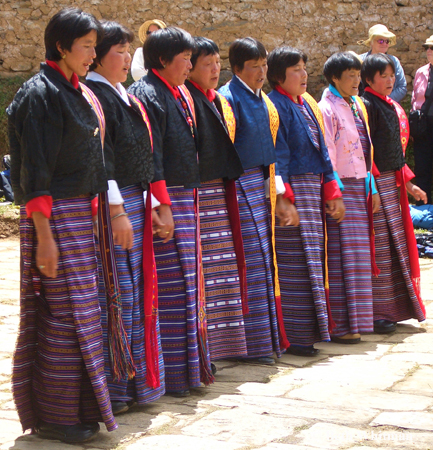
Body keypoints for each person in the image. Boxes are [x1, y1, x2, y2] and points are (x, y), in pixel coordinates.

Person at [7, 7, 116, 443]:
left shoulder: (74, 89)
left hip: (78, 218)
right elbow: (34, 172)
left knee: (81, 317)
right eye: (87, 47)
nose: (93, 54)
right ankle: (55, 416)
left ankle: (78, 409)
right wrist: (45, 238)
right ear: (61, 47)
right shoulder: (40, 95)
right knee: (63, 317)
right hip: (53, 220)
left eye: (94, 46)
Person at [128, 26, 214, 396]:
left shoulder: (178, 92)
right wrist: (160, 204)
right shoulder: (146, 94)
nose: (190, 65)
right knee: (172, 287)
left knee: (189, 288)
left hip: (185, 194)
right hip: (166, 199)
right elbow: (151, 155)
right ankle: (173, 375)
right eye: (185, 59)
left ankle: (188, 370)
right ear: (162, 60)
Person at [85, 21, 166, 415]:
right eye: (118, 51)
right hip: (113, 206)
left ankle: (136, 384)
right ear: (97, 56)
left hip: (137, 200)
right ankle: (115, 389)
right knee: (117, 294)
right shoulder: (95, 97)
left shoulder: (123, 96)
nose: (126, 59)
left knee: (137, 292)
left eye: (127, 51)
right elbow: (106, 160)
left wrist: (151, 204)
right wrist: (118, 211)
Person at [267, 46, 344, 356]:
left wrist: (332, 191)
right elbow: (278, 155)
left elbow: (323, 152)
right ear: (278, 76)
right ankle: (296, 335)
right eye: (296, 70)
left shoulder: (306, 104)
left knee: (313, 264)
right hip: (294, 194)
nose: (303, 75)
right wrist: (284, 197)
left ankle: (312, 331)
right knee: (293, 266)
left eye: (304, 68)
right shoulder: (275, 106)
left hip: (313, 194)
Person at [219, 37, 291, 364]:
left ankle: (265, 341)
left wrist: (277, 192)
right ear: (236, 69)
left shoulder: (264, 101)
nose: (261, 72)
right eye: (254, 66)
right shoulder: (227, 99)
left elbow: (271, 150)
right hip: (237, 186)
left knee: (265, 261)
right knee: (249, 262)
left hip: (260, 186)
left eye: (264, 65)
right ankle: (247, 344)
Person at [185, 37, 248, 364]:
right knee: (205, 273)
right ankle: (205, 348)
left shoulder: (215, 100)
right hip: (199, 195)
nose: (214, 69)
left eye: (216, 63)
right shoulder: (188, 100)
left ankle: (223, 346)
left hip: (220, 195)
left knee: (221, 272)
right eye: (206, 63)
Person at [361, 53, 427, 333]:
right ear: (368, 79)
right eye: (383, 76)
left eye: (392, 76)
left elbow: (395, 153)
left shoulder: (387, 104)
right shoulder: (366, 106)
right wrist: (373, 186)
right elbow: (366, 152)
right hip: (376, 186)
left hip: (393, 185)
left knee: (394, 248)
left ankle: (395, 308)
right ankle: (377, 312)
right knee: (380, 250)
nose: (389, 81)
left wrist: (409, 183)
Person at [319, 52, 380, 344]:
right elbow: (328, 153)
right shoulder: (326, 108)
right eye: (350, 75)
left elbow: (367, 149)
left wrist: (373, 187)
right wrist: (334, 193)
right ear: (334, 78)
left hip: (360, 188)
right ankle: (341, 325)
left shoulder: (357, 105)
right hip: (341, 189)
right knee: (341, 257)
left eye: (359, 75)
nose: (356, 81)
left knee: (358, 259)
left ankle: (358, 322)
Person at [358, 24, 407, 103]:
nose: (384, 44)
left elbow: (402, 87)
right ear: (371, 42)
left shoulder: (394, 61)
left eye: (387, 41)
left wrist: (383, 100)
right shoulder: (360, 61)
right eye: (380, 41)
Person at [411, 35, 433, 205]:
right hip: (423, 127)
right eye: (427, 48)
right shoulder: (421, 72)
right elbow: (414, 100)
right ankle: (423, 208)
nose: (429, 51)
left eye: (432, 48)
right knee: (422, 167)